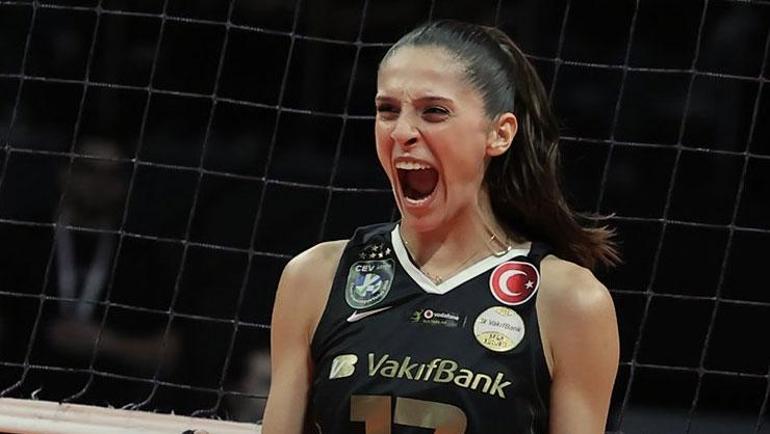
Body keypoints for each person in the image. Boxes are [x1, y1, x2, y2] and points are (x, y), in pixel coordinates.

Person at [262, 20, 620, 434]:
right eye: (387, 110)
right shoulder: (315, 278)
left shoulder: (569, 301)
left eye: (434, 111)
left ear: (500, 134)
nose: (401, 132)